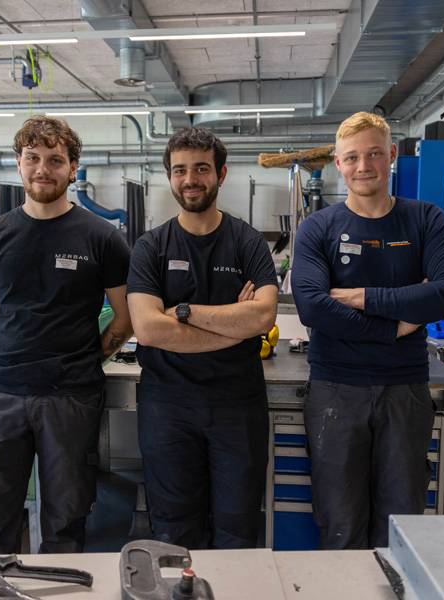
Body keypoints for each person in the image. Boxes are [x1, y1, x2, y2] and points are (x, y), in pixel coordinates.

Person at [0, 116, 132, 553]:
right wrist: (5, 355)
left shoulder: (102, 237)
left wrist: (88, 359)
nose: (43, 169)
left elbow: (127, 317)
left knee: (65, 521)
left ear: (73, 168)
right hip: (4, 394)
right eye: (33, 158)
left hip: (71, 397)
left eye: (55, 160)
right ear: (18, 165)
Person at [292, 111, 444, 549]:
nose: (363, 166)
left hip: (404, 388)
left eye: (372, 154)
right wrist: (396, 324)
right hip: (335, 387)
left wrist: (362, 296)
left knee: (401, 522)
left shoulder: (426, 220)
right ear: (337, 162)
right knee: (340, 521)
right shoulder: (318, 228)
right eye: (351, 158)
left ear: (391, 155)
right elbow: (312, 306)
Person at [126, 127, 278, 549]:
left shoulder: (247, 241)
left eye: (201, 168)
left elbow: (263, 314)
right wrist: (235, 324)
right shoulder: (150, 247)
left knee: (237, 524)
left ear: (221, 174)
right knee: (174, 528)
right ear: (169, 177)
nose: (190, 179)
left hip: (237, 406)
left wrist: (186, 313)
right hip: (167, 407)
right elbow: (148, 329)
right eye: (180, 170)